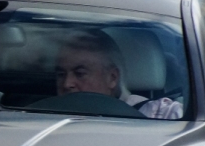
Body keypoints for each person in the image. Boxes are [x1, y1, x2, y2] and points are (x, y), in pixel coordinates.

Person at [54, 30, 183, 119]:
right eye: (61, 74)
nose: (67, 83)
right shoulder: (41, 116)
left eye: (80, 74)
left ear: (112, 78)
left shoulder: (161, 114)